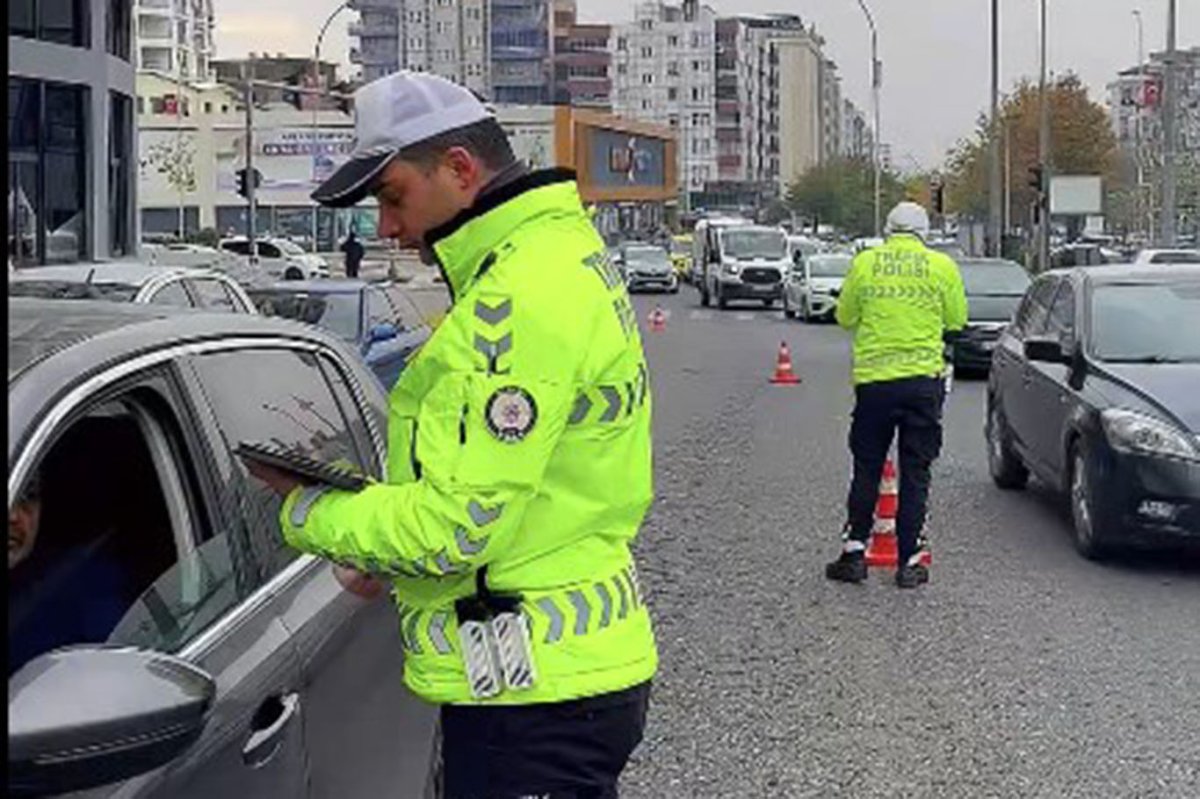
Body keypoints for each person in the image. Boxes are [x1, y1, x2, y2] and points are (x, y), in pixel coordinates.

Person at [243, 70, 657, 799]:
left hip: (537, 697)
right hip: (551, 677)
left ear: (460, 170)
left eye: (392, 196)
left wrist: (311, 511)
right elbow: (518, 488)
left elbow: (459, 525)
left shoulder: (518, 297)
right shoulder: (552, 258)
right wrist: (393, 552)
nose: (386, 228)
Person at [825, 201, 967, 589]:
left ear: (889, 229)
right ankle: (910, 561)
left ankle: (854, 552)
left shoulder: (866, 263)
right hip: (923, 382)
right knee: (916, 471)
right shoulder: (941, 267)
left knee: (867, 467)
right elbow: (956, 320)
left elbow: (844, 317)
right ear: (924, 231)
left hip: (874, 384)